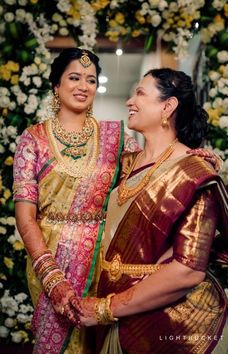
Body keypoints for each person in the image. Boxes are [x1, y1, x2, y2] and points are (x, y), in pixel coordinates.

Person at [78, 68, 228, 354]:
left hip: (176, 325)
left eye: (140, 93)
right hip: (117, 313)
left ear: (167, 106)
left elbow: (187, 272)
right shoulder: (126, 165)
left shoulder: (194, 174)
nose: (130, 101)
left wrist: (105, 308)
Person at [13, 47, 141, 354]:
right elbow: (25, 217)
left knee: (101, 342)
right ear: (56, 86)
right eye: (74, 77)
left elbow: (151, 174)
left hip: (105, 260)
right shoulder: (33, 140)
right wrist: (52, 278)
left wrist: (187, 159)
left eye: (91, 80)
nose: (84, 86)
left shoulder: (117, 136)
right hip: (50, 260)